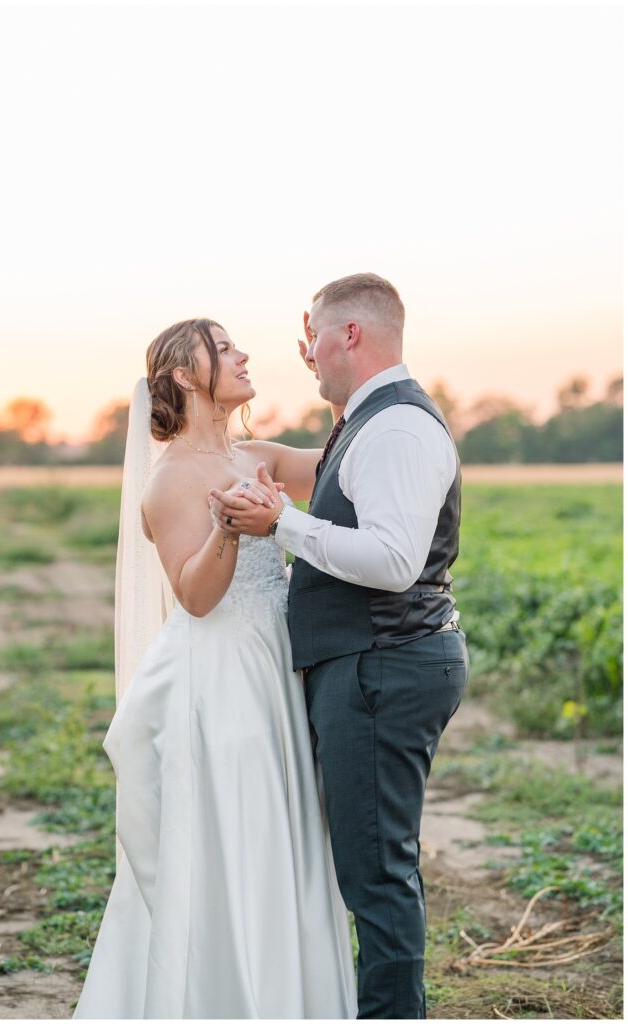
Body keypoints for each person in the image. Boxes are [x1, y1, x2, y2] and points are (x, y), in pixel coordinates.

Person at [72, 318, 357, 1019]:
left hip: (276, 668)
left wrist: (341, 387)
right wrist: (231, 528)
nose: (242, 354)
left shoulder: (253, 453)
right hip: (221, 678)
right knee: (240, 835)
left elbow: (341, 466)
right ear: (182, 375)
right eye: (224, 347)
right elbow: (195, 598)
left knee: (287, 831)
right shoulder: (169, 482)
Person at [210, 273, 470, 1020]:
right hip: (371, 664)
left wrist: (280, 523)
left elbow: (391, 563)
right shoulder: (366, 419)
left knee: (377, 873)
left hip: (382, 666)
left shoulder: (394, 427)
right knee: (372, 862)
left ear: (348, 334)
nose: (305, 352)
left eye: (314, 336)